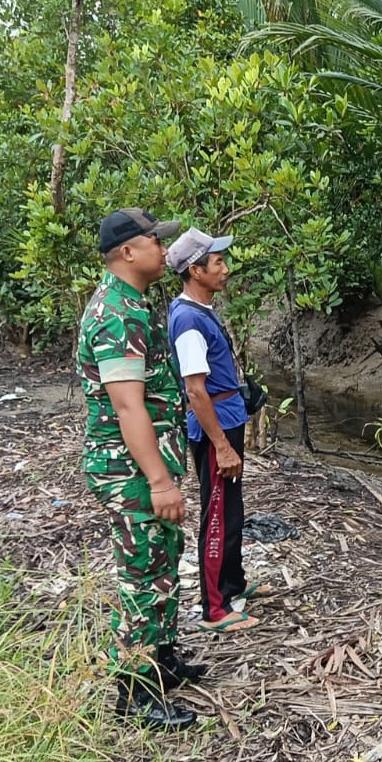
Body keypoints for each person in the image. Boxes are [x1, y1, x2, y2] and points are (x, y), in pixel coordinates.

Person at [76, 207, 205, 731]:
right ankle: (133, 690)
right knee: (142, 574)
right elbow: (128, 406)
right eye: (155, 241)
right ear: (128, 252)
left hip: (147, 463)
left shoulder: (135, 303)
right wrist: (158, 480)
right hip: (128, 469)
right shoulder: (117, 314)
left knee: (164, 557)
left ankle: (162, 659)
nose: (164, 249)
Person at [166, 228, 265, 633]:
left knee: (232, 510)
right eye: (218, 262)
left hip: (227, 419)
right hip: (214, 430)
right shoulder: (189, 320)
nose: (226, 269)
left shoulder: (201, 311)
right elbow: (194, 389)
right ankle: (215, 607)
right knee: (218, 515)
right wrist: (221, 445)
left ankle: (232, 583)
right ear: (195, 270)